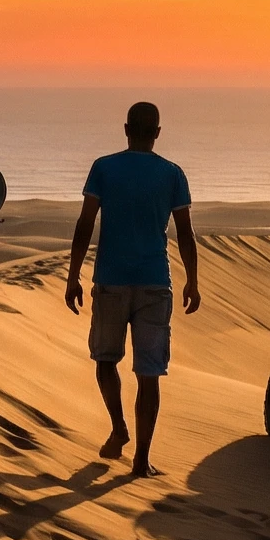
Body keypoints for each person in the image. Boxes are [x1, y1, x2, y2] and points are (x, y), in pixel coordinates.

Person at [65, 101, 200, 479]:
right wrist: (193, 280)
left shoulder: (104, 168)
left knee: (106, 360)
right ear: (157, 133)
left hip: (111, 280)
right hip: (156, 283)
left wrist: (73, 275)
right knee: (149, 374)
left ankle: (119, 426)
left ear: (126, 129)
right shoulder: (172, 174)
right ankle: (141, 460)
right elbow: (185, 233)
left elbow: (84, 225)